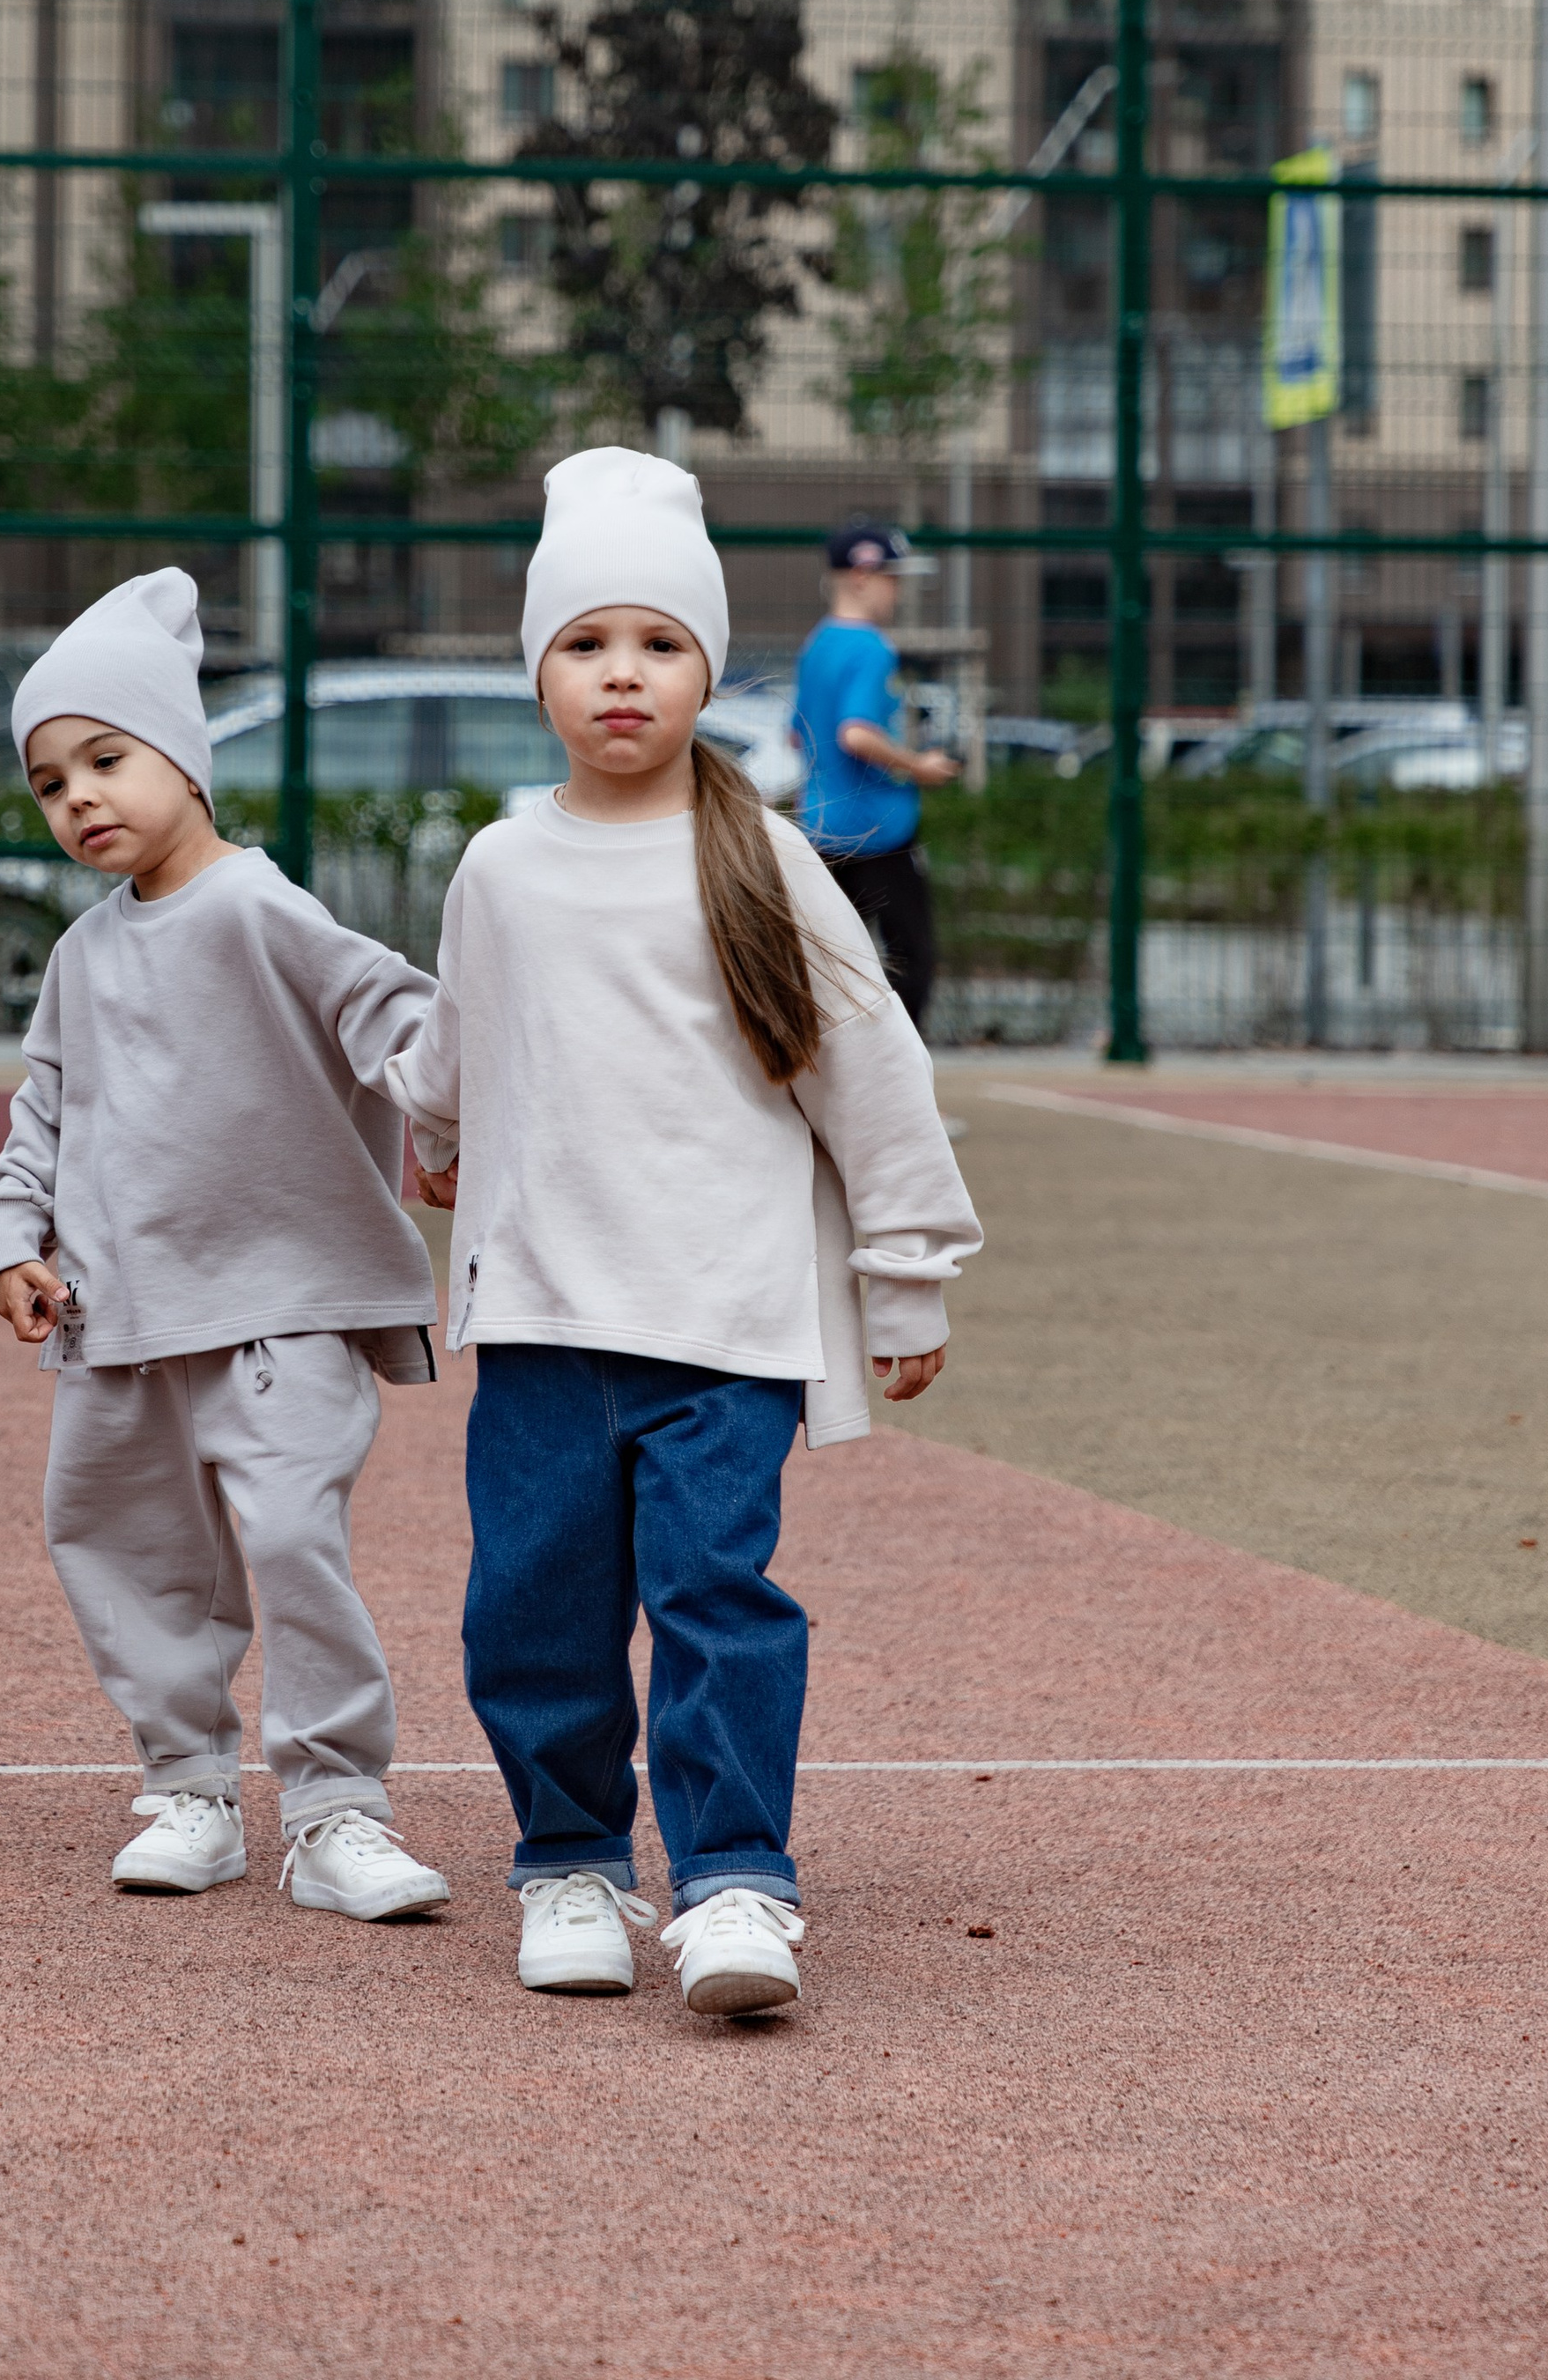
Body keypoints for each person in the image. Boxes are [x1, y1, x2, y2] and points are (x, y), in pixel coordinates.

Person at [386, 449, 981, 2021]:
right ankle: (570, 1862)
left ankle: (734, 1886)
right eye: (586, 644)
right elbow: (461, 1039)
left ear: (708, 666)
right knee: (533, 1608)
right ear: (539, 671)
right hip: (538, 1328)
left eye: (658, 644)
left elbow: (872, 1064)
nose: (623, 676)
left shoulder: (763, 857)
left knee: (718, 1603)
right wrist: (434, 1135)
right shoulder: (501, 867)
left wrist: (906, 1273)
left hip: (727, 1326)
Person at [0, 568, 452, 1925]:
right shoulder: (77, 957)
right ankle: (191, 1786)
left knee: (293, 1531)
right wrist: (12, 1242)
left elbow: (397, 1014)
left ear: (182, 753)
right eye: (51, 784)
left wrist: (449, 1118)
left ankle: (338, 1809)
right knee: (126, 1547)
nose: (80, 800)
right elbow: (36, 1126)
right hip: (115, 1317)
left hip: (288, 1301)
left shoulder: (259, 908)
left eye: (105, 759)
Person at [790, 518, 959, 1036]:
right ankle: (900, 1102)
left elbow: (797, 735)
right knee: (913, 960)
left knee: (826, 972)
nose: (899, 589)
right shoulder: (871, 647)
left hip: (822, 830)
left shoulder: (816, 644)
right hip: (879, 833)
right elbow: (856, 735)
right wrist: (919, 765)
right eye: (893, 577)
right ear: (862, 578)